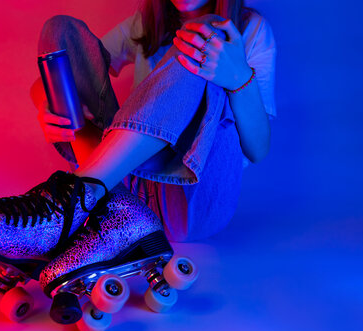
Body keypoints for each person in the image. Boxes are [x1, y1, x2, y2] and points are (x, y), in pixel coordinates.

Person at [32, 0, 276, 243]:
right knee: (61, 31)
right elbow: (55, 75)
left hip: (194, 199)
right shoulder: (146, 25)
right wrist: (48, 102)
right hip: (129, 189)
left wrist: (239, 78)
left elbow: (258, 149)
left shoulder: (251, 28)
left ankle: (74, 199)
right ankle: (94, 200)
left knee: (205, 33)